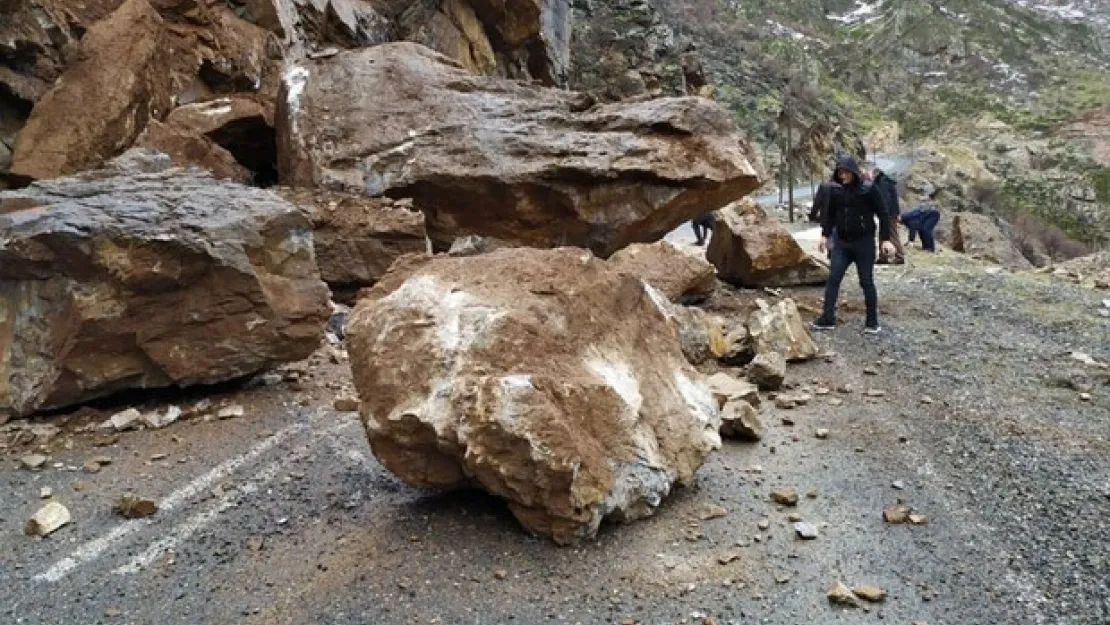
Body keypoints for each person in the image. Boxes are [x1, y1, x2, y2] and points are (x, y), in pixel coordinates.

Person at [813, 156, 897, 334]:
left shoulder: (868, 190)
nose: (843, 175)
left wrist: (886, 239)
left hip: (864, 243)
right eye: (840, 172)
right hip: (842, 243)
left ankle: (872, 322)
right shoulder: (836, 192)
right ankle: (827, 318)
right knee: (833, 279)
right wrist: (824, 235)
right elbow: (830, 216)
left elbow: (883, 213)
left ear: (853, 171)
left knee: (866, 282)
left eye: (846, 172)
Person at [871, 167, 904, 264]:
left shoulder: (883, 183)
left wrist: (882, 212)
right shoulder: (885, 181)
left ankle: (899, 256)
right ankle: (883, 257)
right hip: (890, 213)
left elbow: (884, 200)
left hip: (888, 214)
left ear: (875, 173)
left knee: (892, 234)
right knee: (883, 233)